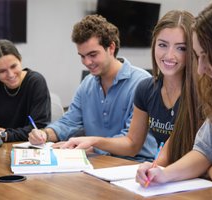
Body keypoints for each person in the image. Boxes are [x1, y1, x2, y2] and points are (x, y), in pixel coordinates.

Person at [136, 0, 212, 195]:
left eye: (207, 56)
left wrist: (210, 169)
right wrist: (163, 174)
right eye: (197, 56)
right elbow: (204, 151)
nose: (200, 69)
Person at [61, 10, 202, 166]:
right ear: (154, 44)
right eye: (162, 45)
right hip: (164, 174)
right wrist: (94, 141)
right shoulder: (146, 89)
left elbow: (203, 154)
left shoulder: (202, 93)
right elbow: (132, 144)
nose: (169, 55)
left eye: (181, 48)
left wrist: (160, 169)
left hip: (194, 178)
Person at [28, 15, 155, 161]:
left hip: (134, 165)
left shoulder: (141, 83)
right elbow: (69, 122)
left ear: (111, 48)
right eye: (82, 56)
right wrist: (45, 134)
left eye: (93, 54)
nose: (87, 62)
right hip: (96, 161)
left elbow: (130, 140)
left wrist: (93, 145)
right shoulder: (87, 84)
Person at [0, 39, 51, 142]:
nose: (11, 74)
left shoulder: (36, 82)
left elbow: (39, 128)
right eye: (2, 71)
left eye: (14, 66)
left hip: (29, 147)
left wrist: (4, 135)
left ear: (20, 60)